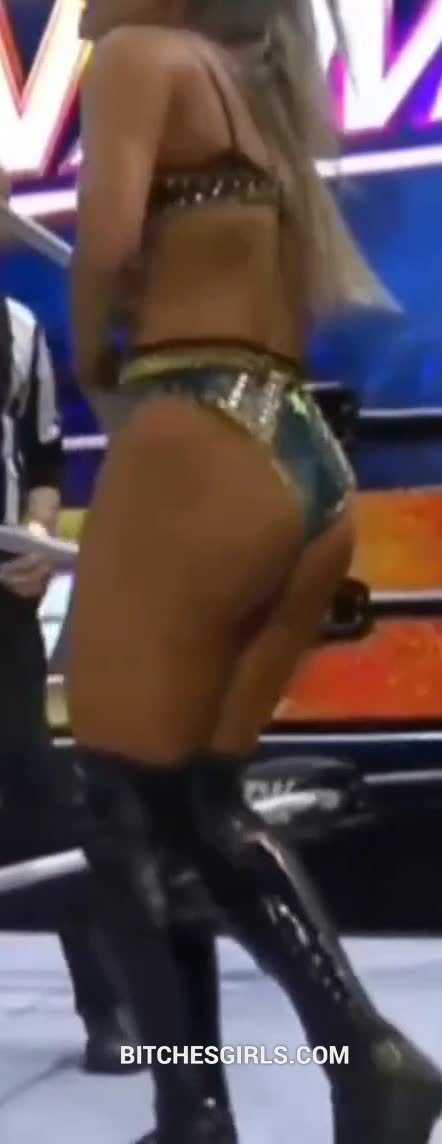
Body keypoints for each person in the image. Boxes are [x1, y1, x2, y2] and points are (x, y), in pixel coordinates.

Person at [67, 2, 442, 1142]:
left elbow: (108, 250)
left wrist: (95, 365)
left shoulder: (139, 58)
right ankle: (358, 1060)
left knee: (122, 806)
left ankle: (198, 1105)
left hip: (198, 438)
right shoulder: (251, 93)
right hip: (295, 451)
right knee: (193, 804)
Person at [0, 170, 143, 1074]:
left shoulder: (19, 329)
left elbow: (46, 459)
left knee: (46, 795)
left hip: (3, 595)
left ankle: (109, 1007)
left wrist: (40, 539)